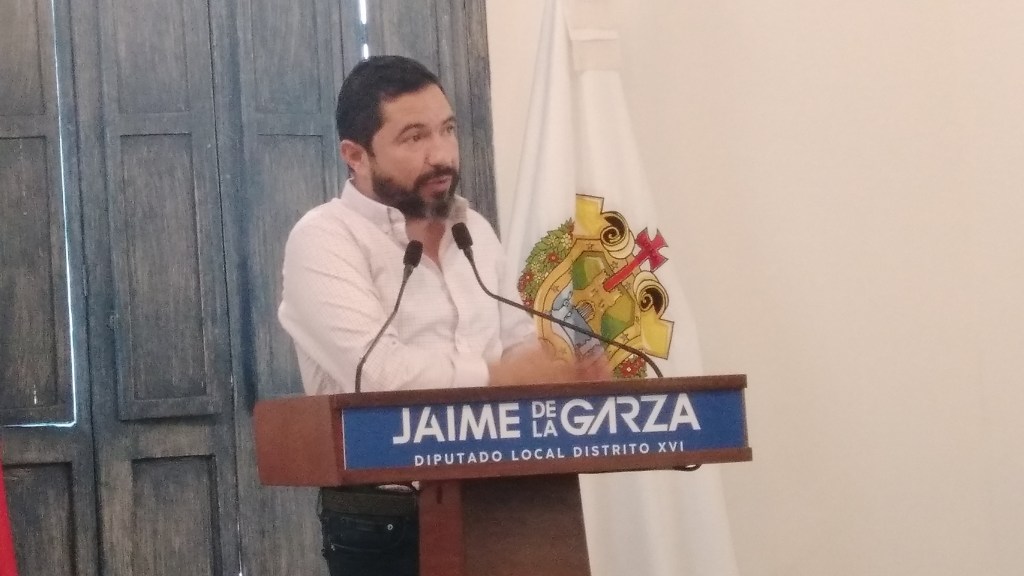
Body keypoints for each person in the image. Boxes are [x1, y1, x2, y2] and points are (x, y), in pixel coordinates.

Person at [278, 55, 605, 576]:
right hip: (391, 520)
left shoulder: (473, 230)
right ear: (355, 156)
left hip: (509, 499)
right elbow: (380, 378)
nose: (442, 155)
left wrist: (567, 369)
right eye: (414, 137)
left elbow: (517, 345)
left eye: (447, 130)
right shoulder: (324, 239)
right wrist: (504, 376)